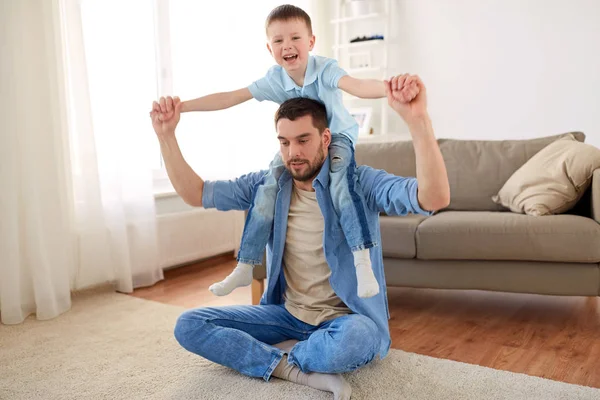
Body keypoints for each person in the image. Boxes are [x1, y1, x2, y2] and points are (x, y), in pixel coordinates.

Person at [150, 74, 450, 400]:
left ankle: (286, 355)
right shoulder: (268, 185)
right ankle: (291, 364)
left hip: (346, 320)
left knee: (357, 341)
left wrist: (417, 120)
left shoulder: (359, 182)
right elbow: (197, 194)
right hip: (286, 315)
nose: (293, 152)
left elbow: (433, 198)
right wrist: (166, 136)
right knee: (190, 325)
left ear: (325, 138)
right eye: (284, 142)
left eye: (303, 140)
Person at [153, 4, 419, 299]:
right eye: (278, 41)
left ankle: (361, 259)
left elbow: (356, 86)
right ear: (270, 48)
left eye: (295, 38)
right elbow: (230, 97)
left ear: (311, 42)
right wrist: (183, 107)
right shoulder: (274, 80)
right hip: (301, 146)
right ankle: (246, 264)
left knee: (343, 186)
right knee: (267, 187)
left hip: (338, 139)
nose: (287, 46)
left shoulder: (325, 70)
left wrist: (391, 88)